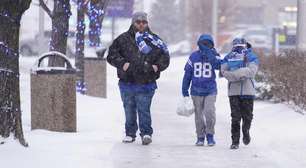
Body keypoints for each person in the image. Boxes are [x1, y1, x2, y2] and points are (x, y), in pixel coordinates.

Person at [107, 12, 170, 145]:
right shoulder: (122, 39)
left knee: (144, 109)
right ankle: (130, 133)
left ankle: (146, 133)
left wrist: (156, 67)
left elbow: (165, 57)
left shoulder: (154, 40)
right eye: (138, 21)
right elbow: (111, 55)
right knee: (129, 109)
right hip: (127, 82)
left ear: (147, 23)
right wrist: (123, 64)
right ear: (133, 22)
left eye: (144, 22)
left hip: (146, 82)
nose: (141, 24)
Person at [182, 34, 222, 146]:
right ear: (199, 44)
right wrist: (184, 89)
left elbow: (218, 66)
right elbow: (187, 74)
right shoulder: (193, 56)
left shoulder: (214, 55)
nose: (205, 45)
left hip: (210, 90)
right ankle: (200, 136)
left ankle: (210, 135)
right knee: (198, 116)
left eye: (208, 43)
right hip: (196, 90)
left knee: (210, 113)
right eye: (203, 43)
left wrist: (209, 53)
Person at [221, 38, 259, 150]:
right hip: (233, 92)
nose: (238, 48)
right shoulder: (228, 57)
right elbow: (224, 72)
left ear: (245, 45)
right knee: (235, 118)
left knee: (248, 117)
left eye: (240, 45)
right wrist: (240, 75)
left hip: (248, 91)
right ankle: (235, 141)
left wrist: (235, 74)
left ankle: (246, 130)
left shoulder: (251, 56)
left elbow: (252, 71)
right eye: (236, 45)